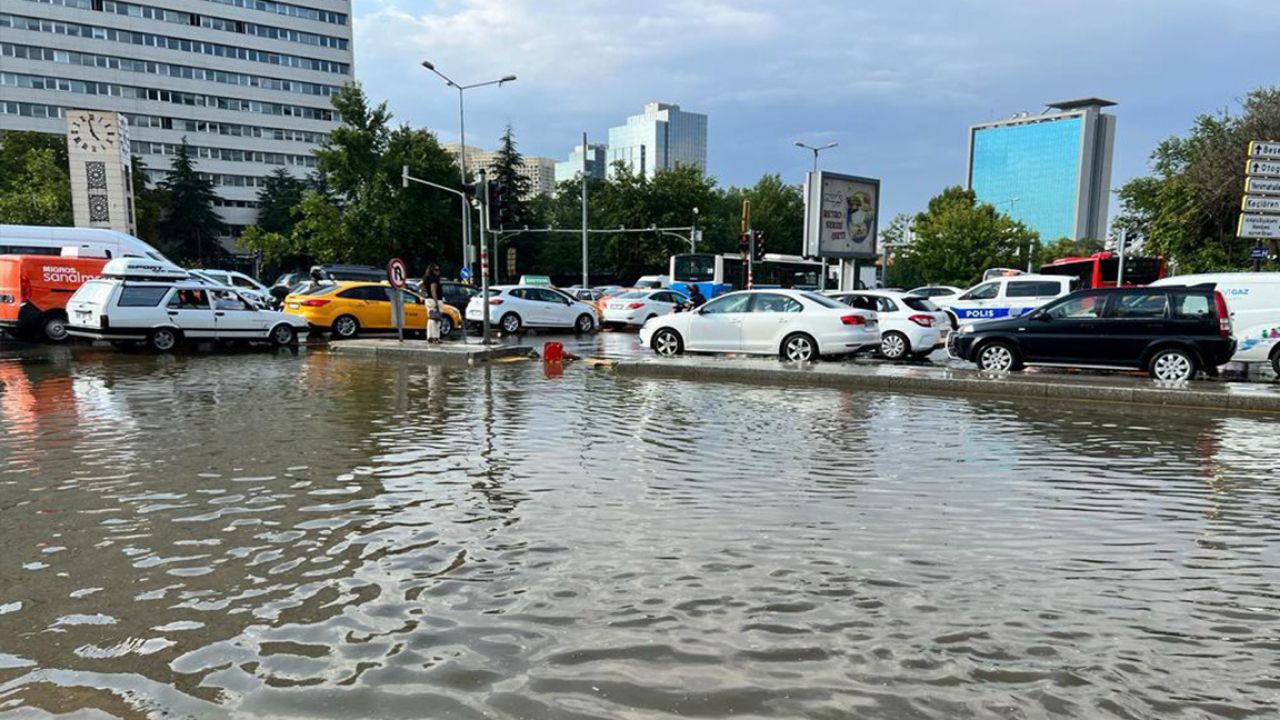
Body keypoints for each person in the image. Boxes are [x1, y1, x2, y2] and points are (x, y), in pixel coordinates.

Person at [421, 264, 443, 343]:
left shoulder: (426, 278)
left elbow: (421, 288)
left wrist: (423, 296)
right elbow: (433, 290)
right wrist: (436, 302)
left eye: (438, 270)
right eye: (436, 270)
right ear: (432, 271)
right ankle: (436, 337)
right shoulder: (434, 279)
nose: (438, 271)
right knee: (436, 320)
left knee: (431, 319)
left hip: (428, 300)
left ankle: (430, 336)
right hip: (435, 300)